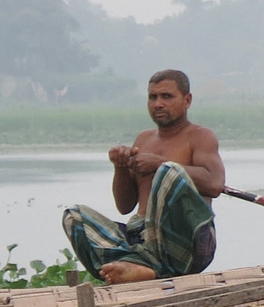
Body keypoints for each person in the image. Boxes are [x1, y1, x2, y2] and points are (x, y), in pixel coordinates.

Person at [63, 69, 225, 284]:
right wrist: (120, 167)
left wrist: (160, 164)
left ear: (187, 100)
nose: (158, 103)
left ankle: (154, 269)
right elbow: (124, 206)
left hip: (185, 243)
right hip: (139, 237)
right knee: (74, 217)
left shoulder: (200, 136)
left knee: (170, 173)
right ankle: (138, 265)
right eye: (152, 97)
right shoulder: (144, 138)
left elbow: (215, 185)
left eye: (166, 97)